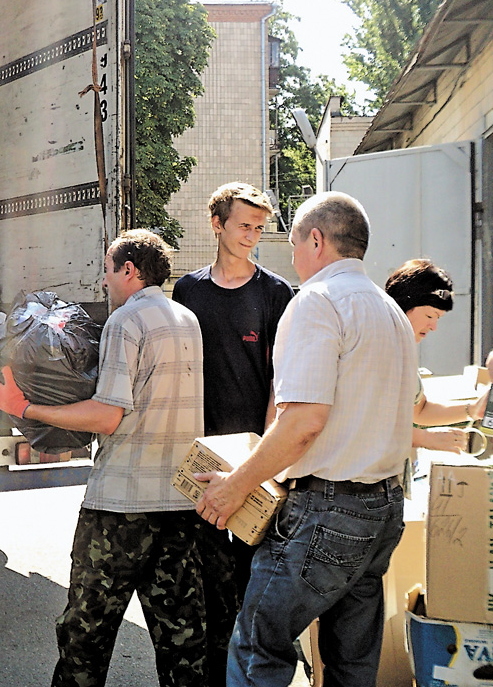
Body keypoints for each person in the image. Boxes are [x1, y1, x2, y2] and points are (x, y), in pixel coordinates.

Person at [0, 229, 235, 686]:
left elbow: (107, 417)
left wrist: (23, 408)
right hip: (180, 505)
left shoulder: (126, 323)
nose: (104, 281)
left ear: (129, 270)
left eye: (108, 269)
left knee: (86, 635)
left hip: (120, 509)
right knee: (183, 641)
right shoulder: (187, 320)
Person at [195, 192, 417, 687]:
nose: (291, 255)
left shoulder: (317, 301)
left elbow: (303, 423)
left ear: (316, 240)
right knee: (350, 661)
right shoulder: (390, 311)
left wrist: (235, 486)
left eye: (293, 242)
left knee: (258, 644)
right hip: (383, 506)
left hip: (327, 512)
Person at [172, 181, 293, 603]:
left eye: (259, 229)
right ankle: (212, 668)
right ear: (216, 225)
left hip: (250, 456)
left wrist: (266, 452)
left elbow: (282, 379)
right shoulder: (188, 290)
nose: (252, 236)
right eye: (244, 226)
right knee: (204, 578)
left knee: (250, 578)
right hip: (201, 451)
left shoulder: (275, 292)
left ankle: (245, 666)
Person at [385, 259, 490, 453]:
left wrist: (472, 409)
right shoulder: (374, 348)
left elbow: (420, 410)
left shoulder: (402, 351)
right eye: (430, 316)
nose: (434, 327)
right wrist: (425, 438)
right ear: (407, 303)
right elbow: (365, 423)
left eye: (438, 319)